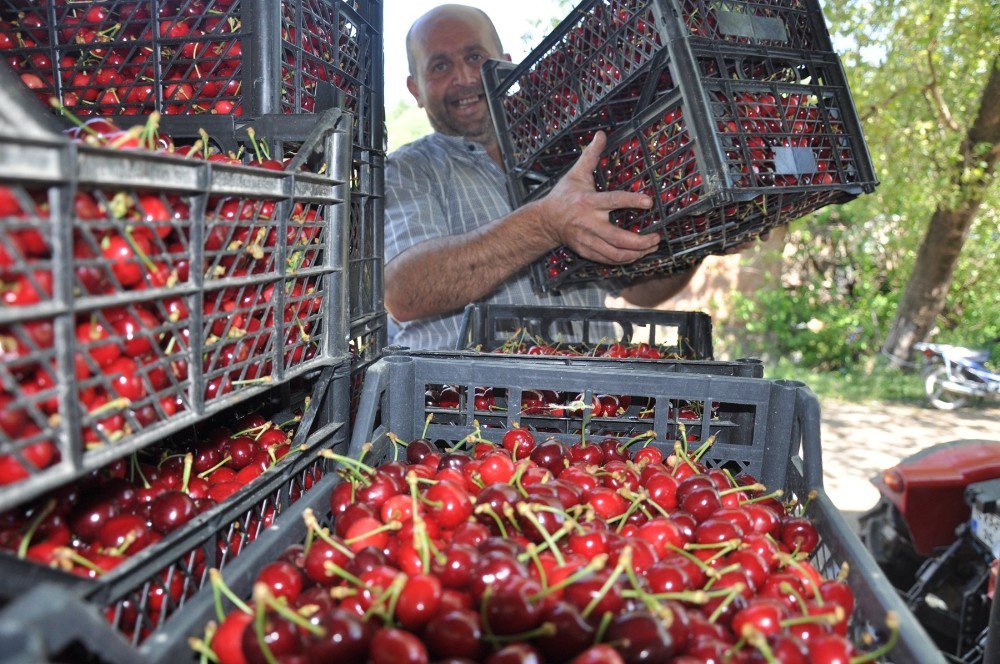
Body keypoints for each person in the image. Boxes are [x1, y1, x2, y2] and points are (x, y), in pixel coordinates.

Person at [384, 4, 695, 350]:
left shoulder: (571, 155)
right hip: (464, 399)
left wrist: (700, 231)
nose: (464, 78)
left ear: (505, 64)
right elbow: (404, 292)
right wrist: (546, 223)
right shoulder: (408, 169)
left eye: (475, 57)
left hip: (592, 397)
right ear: (415, 89)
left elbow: (641, 290)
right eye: (440, 65)